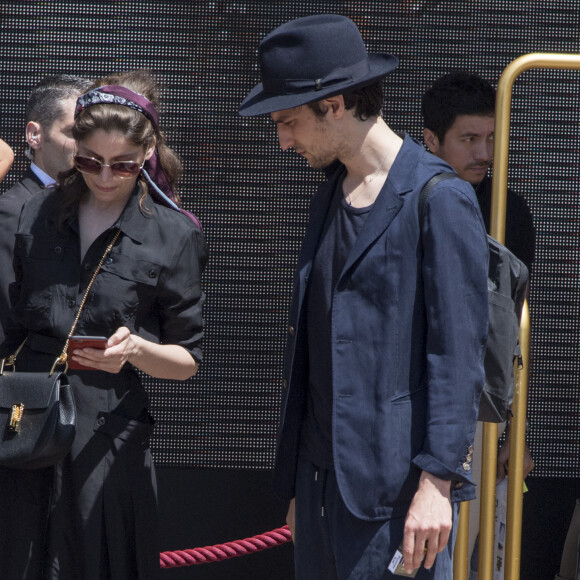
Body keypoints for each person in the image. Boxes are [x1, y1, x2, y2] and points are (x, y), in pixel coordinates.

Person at [239, 14, 489, 578]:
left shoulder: (438, 197)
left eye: (289, 121)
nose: (283, 141)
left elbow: (457, 356)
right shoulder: (327, 196)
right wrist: (306, 486)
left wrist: (437, 482)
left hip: (398, 496)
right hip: (322, 487)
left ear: (334, 105)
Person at [0, 69, 208, 579]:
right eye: (90, 161)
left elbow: (187, 361)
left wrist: (135, 349)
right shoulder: (36, 212)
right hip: (27, 422)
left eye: (124, 165)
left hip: (107, 433)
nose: (106, 177)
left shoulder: (173, 234)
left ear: (148, 155)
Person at [422, 70, 536, 567]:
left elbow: (515, 330)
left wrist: (517, 434)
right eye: (468, 139)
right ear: (430, 140)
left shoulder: (510, 209)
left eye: (491, 137)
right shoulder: (410, 201)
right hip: (422, 415)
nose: (484, 153)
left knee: (482, 557)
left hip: (485, 419)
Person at [0, 74, 93, 343]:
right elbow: (9, 318)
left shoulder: (101, 208)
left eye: (92, 134)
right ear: (35, 135)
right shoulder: (11, 212)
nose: (88, 147)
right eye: (75, 133)